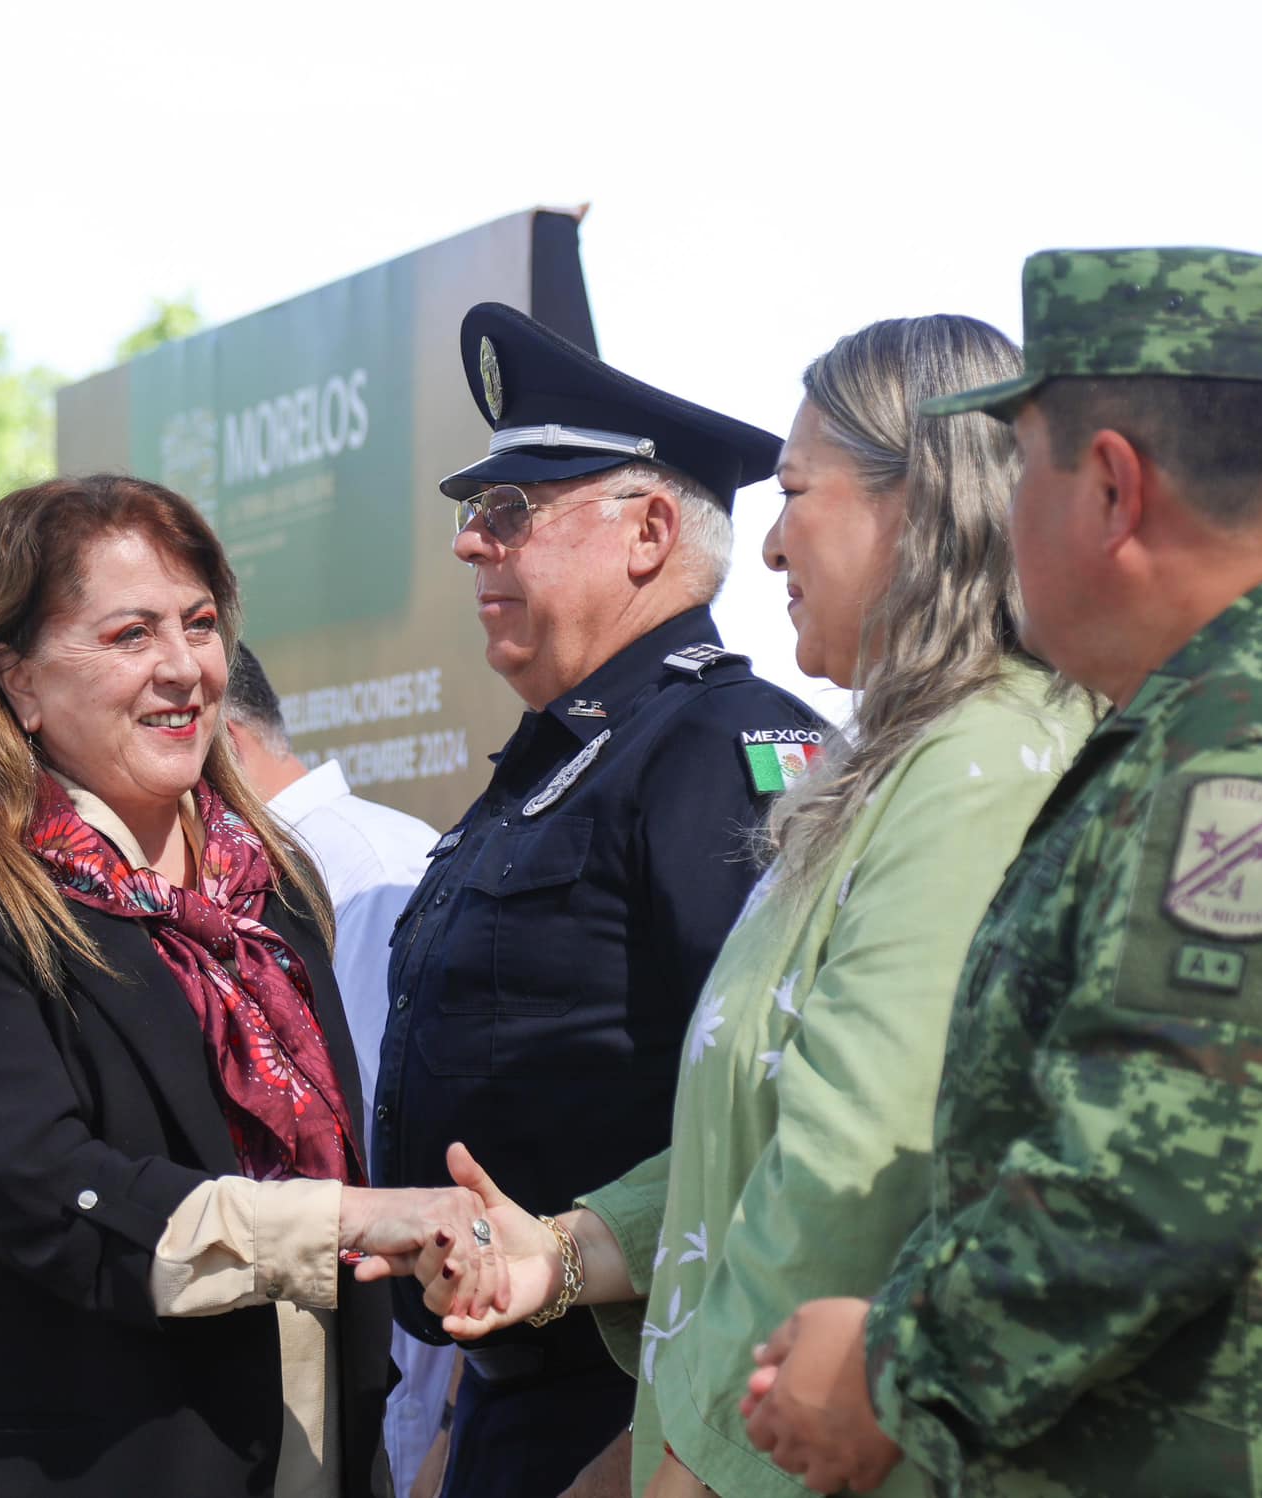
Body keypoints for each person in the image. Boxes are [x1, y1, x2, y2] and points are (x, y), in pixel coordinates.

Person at [744, 248, 1262, 1495]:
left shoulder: (1259, 753)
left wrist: (890, 1372)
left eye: (1025, 471)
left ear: (1112, 489)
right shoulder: (1228, 720)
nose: (996, 517)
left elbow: (1159, 1183)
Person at [425, 315, 1097, 1496]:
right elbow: (755, 1128)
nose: (768, 545)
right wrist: (564, 1252)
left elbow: (855, 1163)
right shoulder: (896, 764)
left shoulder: (981, 764)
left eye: (792, 493)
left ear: (919, 500)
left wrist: (691, 1460)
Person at [0, 475, 501, 1496]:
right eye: (129, 635)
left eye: (198, 625)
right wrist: (349, 1220)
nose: (184, 667)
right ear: (13, 678)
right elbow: (47, 1192)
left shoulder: (266, 882)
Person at [373, 301, 827, 1497]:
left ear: (648, 532)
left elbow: (781, 1126)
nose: (472, 546)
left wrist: (669, 1446)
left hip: (649, 1415)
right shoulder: (563, 757)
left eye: (507, 513)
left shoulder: (722, 747)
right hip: (516, 1396)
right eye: (475, 516)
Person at [223, 645, 451, 1497]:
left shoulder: (360, 868)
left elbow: (365, 1141)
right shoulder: (263, 868)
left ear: (223, 740)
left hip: (375, 1369)